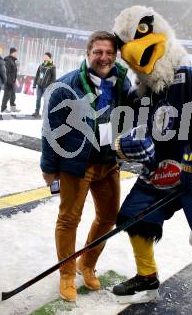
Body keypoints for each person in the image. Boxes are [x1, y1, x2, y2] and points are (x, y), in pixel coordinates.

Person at [111, 6, 192, 315]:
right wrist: (129, 146)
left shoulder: (191, 66)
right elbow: (130, 131)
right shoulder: (139, 91)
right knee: (135, 215)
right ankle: (147, 278)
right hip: (163, 166)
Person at [40, 31, 131, 302]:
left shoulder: (122, 85)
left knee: (109, 217)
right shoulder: (66, 85)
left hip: (108, 163)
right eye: (98, 52)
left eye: (109, 54)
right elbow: (50, 130)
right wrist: (48, 167)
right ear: (88, 53)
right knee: (69, 219)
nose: (103, 58)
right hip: (76, 164)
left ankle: (87, 263)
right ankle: (67, 273)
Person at [32, 52, 56, 118]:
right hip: (39, 86)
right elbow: (37, 75)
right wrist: (34, 84)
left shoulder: (52, 66)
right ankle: (37, 112)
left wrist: (50, 86)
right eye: (44, 56)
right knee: (38, 99)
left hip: (46, 86)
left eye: (46, 56)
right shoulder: (41, 65)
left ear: (49, 58)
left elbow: (53, 78)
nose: (45, 57)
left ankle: (44, 114)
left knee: (45, 101)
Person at [1, 47, 20, 113]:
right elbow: (7, 72)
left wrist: (14, 80)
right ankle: (3, 108)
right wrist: (9, 81)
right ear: (12, 53)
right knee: (7, 95)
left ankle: (13, 108)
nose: (16, 54)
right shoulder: (8, 60)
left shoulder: (13, 60)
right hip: (8, 81)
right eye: (15, 53)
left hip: (12, 81)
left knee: (13, 95)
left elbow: (14, 71)